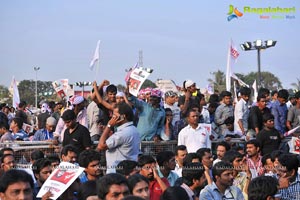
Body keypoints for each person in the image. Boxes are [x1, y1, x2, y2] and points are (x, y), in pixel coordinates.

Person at [97, 102, 141, 173]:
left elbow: (101, 146)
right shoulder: (134, 129)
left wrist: (108, 126)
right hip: (129, 171)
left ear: (123, 117)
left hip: (116, 173)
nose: (111, 116)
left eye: (114, 115)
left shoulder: (123, 133)